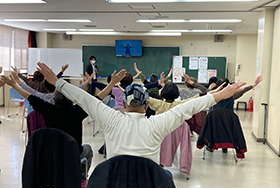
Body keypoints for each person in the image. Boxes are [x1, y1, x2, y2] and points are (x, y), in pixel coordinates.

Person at [34, 62, 246, 166]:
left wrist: (58, 82)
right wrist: (217, 95)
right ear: (147, 106)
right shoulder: (156, 124)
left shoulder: (111, 119)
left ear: (124, 106)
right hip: (148, 182)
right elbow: (186, 109)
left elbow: (84, 98)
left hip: (114, 179)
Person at [1, 68, 127, 188]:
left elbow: (31, 97)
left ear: (55, 99)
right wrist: (111, 84)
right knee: (88, 150)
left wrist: (15, 85)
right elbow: (96, 100)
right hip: (72, 154)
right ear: (71, 100)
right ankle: (81, 180)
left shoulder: (48, 110)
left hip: (52, 154)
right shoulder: (76, 112)